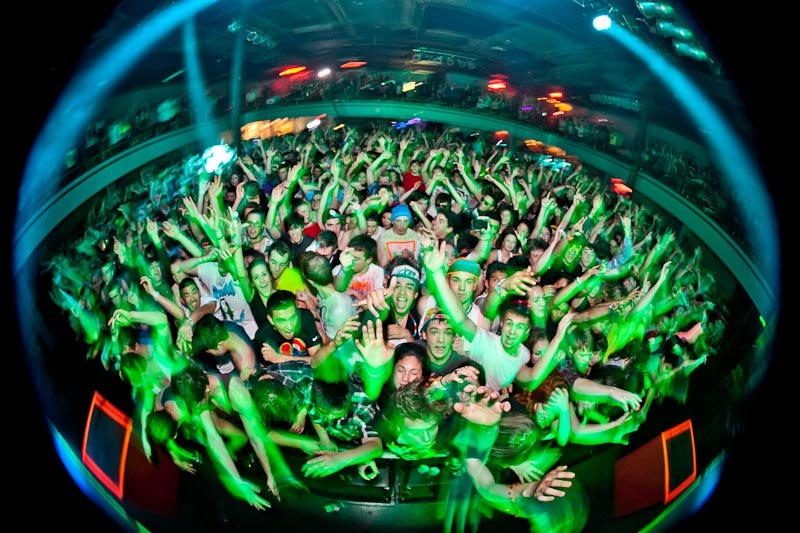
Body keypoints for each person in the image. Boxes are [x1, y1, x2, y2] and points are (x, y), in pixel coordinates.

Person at [298, 251, 356, 343]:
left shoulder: (338, 311)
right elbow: (324, 317)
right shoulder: (322, 295)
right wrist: (307, 301)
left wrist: (311, 326)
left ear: (310, 282)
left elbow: (330, 345)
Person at [254, 289, 322, 365]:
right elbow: (266, 369)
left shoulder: (305, 318)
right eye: (281, 321)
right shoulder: (263, 336)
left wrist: (281, 358)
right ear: (271, 320)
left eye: (293, 318)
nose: (290, 327)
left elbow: (318, 361)